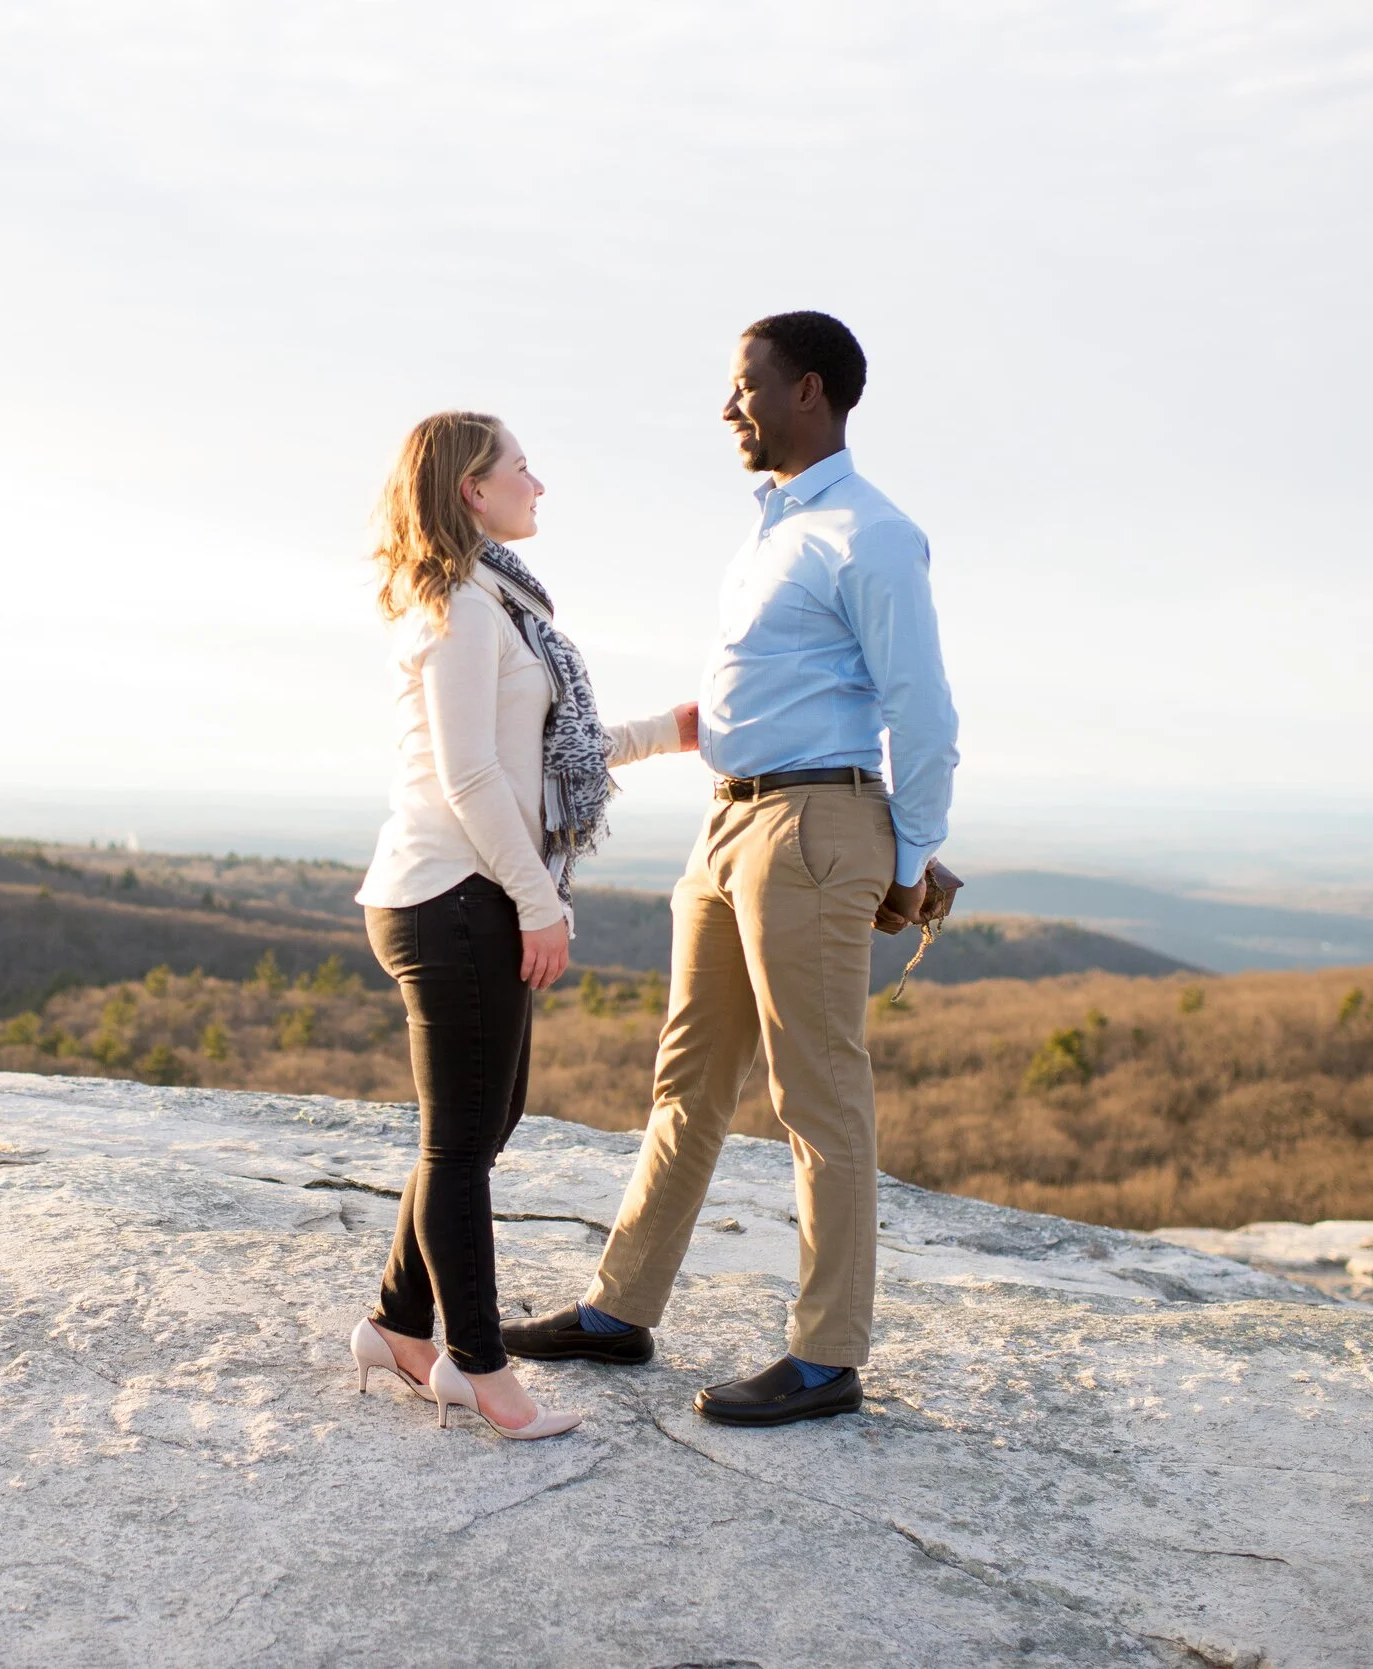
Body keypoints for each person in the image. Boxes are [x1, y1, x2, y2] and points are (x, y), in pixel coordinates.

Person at [503, 311, 960, 1428]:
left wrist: (904, 857)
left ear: (808, 390)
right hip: (728, 829)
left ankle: (826, 1356)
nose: (727, 406)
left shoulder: (870, 532)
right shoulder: (771, 530)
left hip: (813, 827)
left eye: (743, 385)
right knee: (685, 1080)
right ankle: (619, 1309)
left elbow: (924, 712)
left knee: (819, 1092)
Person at [347, 410, 697, 1440]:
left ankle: (399, 1326)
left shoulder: (500, 602)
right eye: (520, 468)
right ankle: (479, 1369)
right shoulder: (456, 604)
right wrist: (538, 903)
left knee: (483, 1127)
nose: (537, 484)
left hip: (471, 892)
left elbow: (545, 750)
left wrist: (665, 734)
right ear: (472, 490)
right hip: (450, 895)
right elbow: (471, 774)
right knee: (460, 1145)